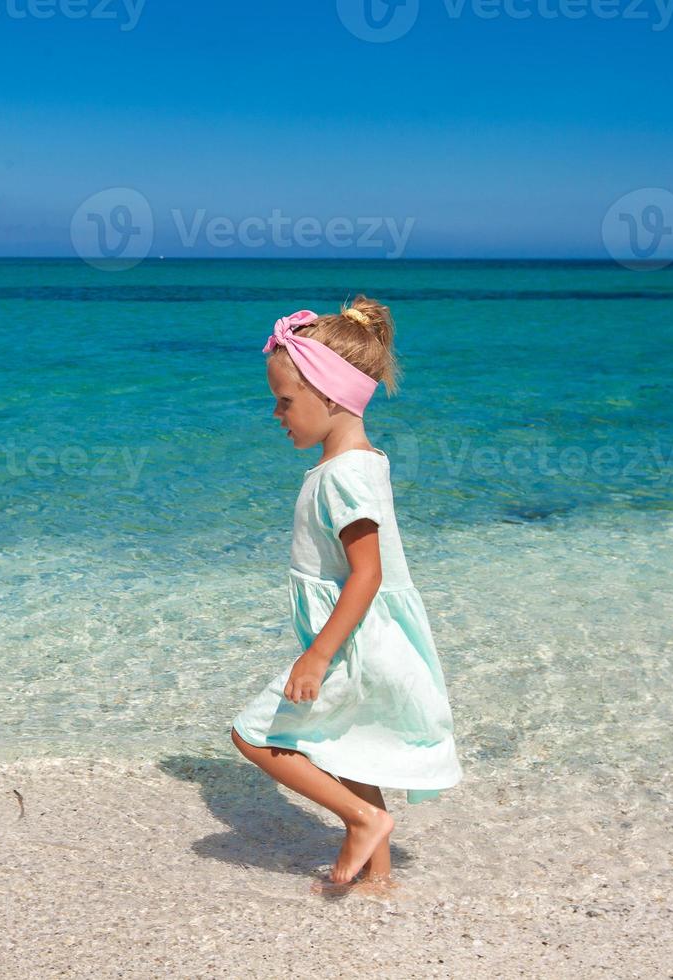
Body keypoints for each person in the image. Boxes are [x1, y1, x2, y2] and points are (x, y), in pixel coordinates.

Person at [230, 295, 463, 891]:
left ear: (330, 395)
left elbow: (368, 574)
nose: (277, 414)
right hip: (360, 637)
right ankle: (377, 877)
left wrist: (318, 654)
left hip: (352, 641)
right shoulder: (358, 464)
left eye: (285, 401)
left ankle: (361, 819)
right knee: (351, 744)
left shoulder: (344, 477)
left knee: (254, 733)